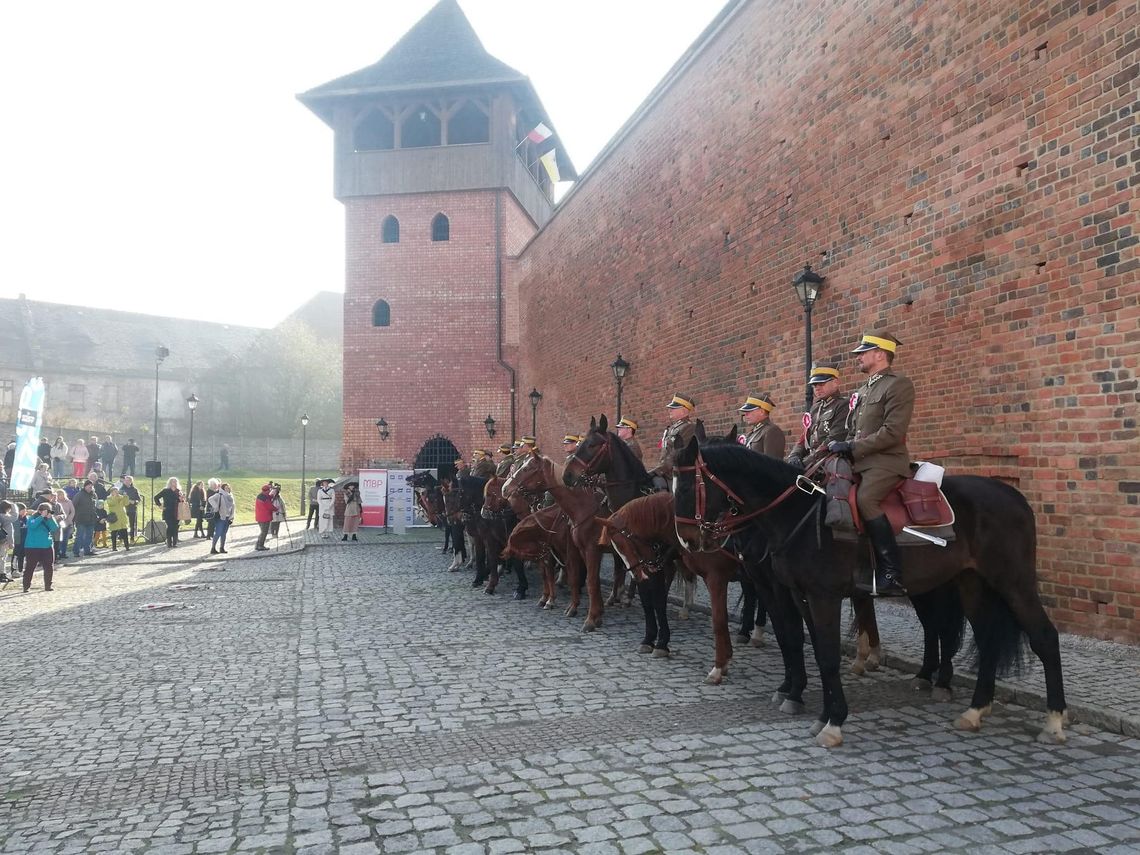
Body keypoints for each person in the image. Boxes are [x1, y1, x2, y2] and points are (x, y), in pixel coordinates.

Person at [829, 332, 914, 597]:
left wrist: (853, 447)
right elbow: (854, 430)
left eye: (864, 352)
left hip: (886, 462)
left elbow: (892, 431)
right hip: (859, 461)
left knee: (866, 499)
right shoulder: (865, 388)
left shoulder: (898, 384)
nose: (859, 357)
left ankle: (891, 572)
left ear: (880, 354)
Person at [787, 365, 848, 468]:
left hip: (830, 461)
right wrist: (794, 455)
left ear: (835, 383)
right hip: (813, 461)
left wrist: (806, 462)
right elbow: (805, 437)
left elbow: (834, 438)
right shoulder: (815, 408)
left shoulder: (843, 405)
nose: (817, 388)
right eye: (814, 385)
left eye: (822, 383)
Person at [653, 394, 697, 489]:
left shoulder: (688, 427)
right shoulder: (672, 428)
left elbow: (677, 453)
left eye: (673, 408)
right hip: (666, 473)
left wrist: (658, 471)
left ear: (684, 410)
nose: (670, 410)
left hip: (678, 474)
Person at [22, 503, 59, 592]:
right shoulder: (33, 517)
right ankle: (26, 586)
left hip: (46, 545)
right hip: (32, 546)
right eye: (45, 511)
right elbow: (32, 526)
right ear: (40, 511)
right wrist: (41, 516)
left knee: (49, 566)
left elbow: (54, 528)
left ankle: (48, 585)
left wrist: (50, 519)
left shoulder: (49, 518)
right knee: (30, 567)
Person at [154, 477, 185, 548]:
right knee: (170, 526)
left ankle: (174, 543)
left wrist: (181, 499)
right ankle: (169, 542)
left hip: (177, 511)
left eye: (176, 482)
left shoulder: (178, 491)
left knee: (175, 527)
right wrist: (160, 506)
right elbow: (156, 497)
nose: (174, 483)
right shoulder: (165, 491)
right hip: (168, 511)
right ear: (170, 483)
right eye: (173, 482)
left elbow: (181, 502)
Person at [208, 482, 235, 554]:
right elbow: (210, 499)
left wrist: (232, 516)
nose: (227, 489)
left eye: (228, 488)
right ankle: (213, 548)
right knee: (218, 533)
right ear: (223, 489)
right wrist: (216, 506)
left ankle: (222, 548)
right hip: (220, 517)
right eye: (226, 488)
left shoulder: (230, 496)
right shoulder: (219, 495)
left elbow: (233, 507)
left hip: (228, 517)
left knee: (224, 533)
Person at [71, 481, 97, 556]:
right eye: (89, 487)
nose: (90, 488)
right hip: (81, 519)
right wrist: (74, 517)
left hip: (91, 518)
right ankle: (76, 551)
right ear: (85, 486)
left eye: (91, 487)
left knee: (89, 535)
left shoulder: (93, 495)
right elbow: (73, 506)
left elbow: (95, 506)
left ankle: (87, 551)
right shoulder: (79, 495)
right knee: (80, 536)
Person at [105, 487, 131, 551]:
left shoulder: (121, 497)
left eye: (117, 491)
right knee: (114, 532)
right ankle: (114, 547)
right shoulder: (109, 498)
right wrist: (114, 497)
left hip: (122, 516)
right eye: (115, 491)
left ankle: (127, 546)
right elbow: (112, 503)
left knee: (124, 531)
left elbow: (126, 503)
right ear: (111, 492)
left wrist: (125, 496)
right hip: (114, 517)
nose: (116, 492)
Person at [254, 484, 275, 550]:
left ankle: (258, 545)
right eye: (269, 490)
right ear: (267, 490)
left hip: (259, 517)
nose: (270, 491)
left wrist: (272, 495)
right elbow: (270, 506)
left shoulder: (260, 496)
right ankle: (260, 545)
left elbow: (269, 497)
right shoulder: (265, 498)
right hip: (265, 517)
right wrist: (277, 509)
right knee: (264, 532)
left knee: (262, 531)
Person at [55, 488, 74, 560]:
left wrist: (69, 519)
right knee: (59, 539)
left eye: (62, 494)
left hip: (68, 522)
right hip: (59, 523)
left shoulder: (68, 502)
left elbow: (72, 511)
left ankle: (63, 552)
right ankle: (58, 552)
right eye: (59, 495)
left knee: (65, 539)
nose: (60, 496)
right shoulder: (56, 503)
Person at [120, 475, 141, 540]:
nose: (126, 482)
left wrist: (134, 501)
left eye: (128, 480)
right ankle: (121, 537)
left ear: (131, 482)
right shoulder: (121, 489)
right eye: (125, 480)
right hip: (123, 509)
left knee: (132, 524)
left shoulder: (134, 490)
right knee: (122, 524)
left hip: (132, 508)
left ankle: (132, 537)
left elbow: (138, 499)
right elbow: (119, 499)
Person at [0, 500, 16, 584]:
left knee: (4, 557)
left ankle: (3, 573)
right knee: (2, 557)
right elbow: (15, 516)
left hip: (4, 540)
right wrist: (13, 505)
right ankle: (1, 573)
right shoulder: (3, 516)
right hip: (3, 540)